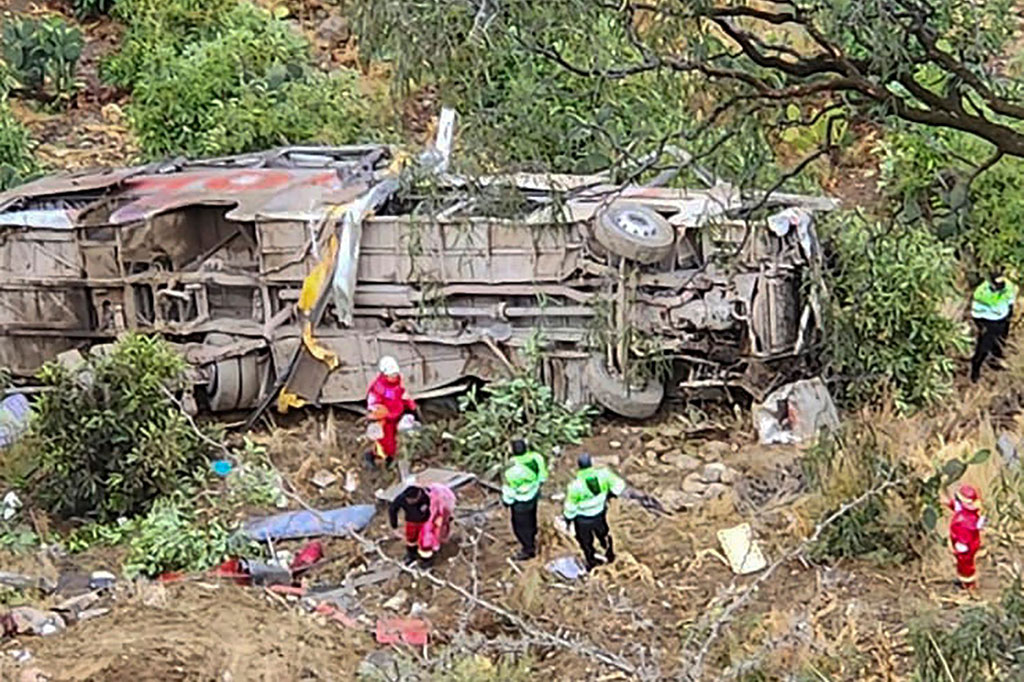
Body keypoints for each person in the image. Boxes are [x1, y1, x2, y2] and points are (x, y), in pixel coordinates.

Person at [563, 453, 626, 571]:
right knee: (604, 535)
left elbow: (571, 506)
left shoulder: (575, 485)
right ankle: (610, 556)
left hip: (583, 519)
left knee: (586, 542)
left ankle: (591, 562)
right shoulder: (604, 474)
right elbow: (619, 485)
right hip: (600, 513)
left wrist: (568, 518)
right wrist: (611, 494)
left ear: (579, 466)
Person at [365, 356, 417, 468]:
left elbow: (403, 395)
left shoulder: (398, 383)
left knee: (392, 441)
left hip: (395, 416)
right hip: (384, 419)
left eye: (395, 374)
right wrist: (378, 413)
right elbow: (373, 403)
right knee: (383, 442)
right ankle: (373, 456)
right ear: (385, 374)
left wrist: (411, 406)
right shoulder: (378, 387)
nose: (394, 376)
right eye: (392, 374)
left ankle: (390, 459)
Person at [501, 439, 549, 561]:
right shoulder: (536, 458)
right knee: (531, 518)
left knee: (520, 526)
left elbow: (509, 490)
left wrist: (507, 502)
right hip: (533, 495)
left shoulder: (510, 468)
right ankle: (533, 538)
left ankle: (528, 549)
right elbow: (543, 477)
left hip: (519, 502)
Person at [388, 482, 455, 568]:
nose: (410, 502)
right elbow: (393, 509)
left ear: (418, 495)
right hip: (411, 521)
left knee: (426, 542)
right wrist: (394, 525)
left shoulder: (429, 496)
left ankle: (426, 560)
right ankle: (412, 555)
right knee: (411, 538)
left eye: (413, 500)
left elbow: (440, 508)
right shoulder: (401, 498)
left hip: (428, 521)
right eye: (409, 500)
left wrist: (443, 519)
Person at [970, 270, 1017, 382]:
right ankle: (975, 368)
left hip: (1002, 318)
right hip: (987, 319)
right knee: (985, 345)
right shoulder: (981, 292)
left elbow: (1010, 299)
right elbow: (976, 310)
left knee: (1000, 339)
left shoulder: (1007, 285)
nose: (1001, 287)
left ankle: (996, 358)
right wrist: (981, 325)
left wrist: (1009, 314)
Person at [948, 484, 985, 590]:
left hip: (966, 544)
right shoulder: (963, 511)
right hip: (960, 541)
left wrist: (962, 544)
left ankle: (968, 584)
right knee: (961, 564)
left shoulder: (970, 518)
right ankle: (963, 580)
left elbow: (969, 531)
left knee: (966, 565)